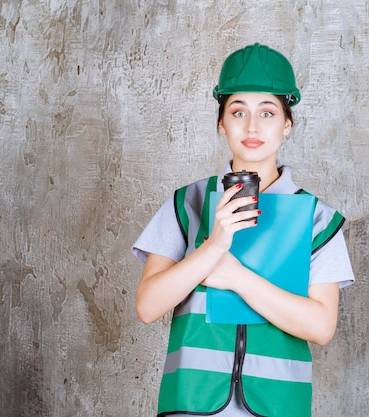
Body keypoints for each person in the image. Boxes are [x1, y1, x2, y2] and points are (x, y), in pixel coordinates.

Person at [133, 43, 354, 417]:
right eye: (238, 112)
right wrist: (213, 247)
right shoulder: (187, 203)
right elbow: (147, 306)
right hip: (191, 402)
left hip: (278, 406)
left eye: (267, 112)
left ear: (287, 122)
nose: (252, 126)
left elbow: (321, 326)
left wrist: (237, 277)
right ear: (222, 122)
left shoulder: (318, 219)